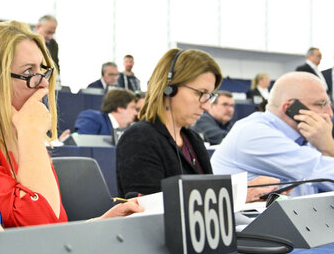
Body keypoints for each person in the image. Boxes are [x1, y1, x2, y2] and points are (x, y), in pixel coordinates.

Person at [0, 20, 142, 228]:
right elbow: (36, 228)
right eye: (28, 71)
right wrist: (32, 132)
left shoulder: (20, 137)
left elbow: (51, 227)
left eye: (42, 70)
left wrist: (99, 225)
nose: (43, 83)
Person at [116, 48, 278, 201]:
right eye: (200, 93)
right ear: (169, 88)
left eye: (209, 96)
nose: (206, 106)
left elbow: (207, 196)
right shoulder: (139, 138)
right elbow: (148, 209)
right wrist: (238, 193)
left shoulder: (192, 139)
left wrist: (243, 194)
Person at [211, 72, 334, 195]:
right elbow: (324, 174)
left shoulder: (307, 137)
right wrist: (329, 146)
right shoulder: (255, 133)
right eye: (321, 104)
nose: (330, 113)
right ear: (290, 107)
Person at [73, 88, 138, 135]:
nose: (136, 113)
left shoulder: (132, 129)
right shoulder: (93, 118)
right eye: (132, 108)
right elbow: (84, 145)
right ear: (120, 108)